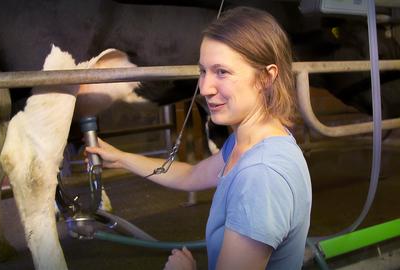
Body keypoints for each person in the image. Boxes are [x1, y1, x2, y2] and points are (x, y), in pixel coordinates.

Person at [86, 6, 312, 270]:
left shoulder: (261, 175)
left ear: (265, 77)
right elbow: (191, 175)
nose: (204, 88)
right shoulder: (252, 142)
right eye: (203, 71)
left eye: (222, 72)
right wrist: (122, 158)